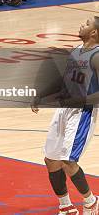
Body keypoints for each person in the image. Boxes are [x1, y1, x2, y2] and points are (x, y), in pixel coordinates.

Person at [31, 16, 99, 215]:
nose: (82, 25)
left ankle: (91, 201)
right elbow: (64, 80)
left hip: (82, 113)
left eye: (87, 24)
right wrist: (41, 94)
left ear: (94, 32)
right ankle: (66, 206)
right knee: (51, 160)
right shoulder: (76, 50)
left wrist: (74, 102)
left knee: (68, 160)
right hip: (64, 110)